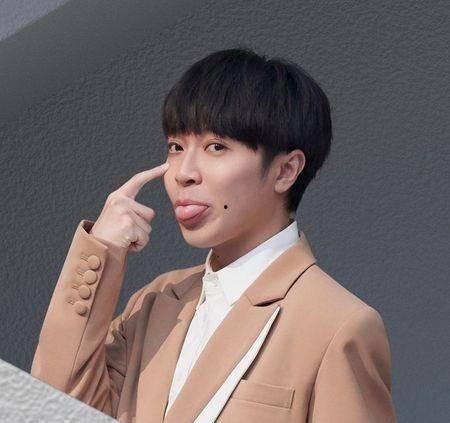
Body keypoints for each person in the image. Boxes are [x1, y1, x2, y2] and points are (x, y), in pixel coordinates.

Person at [30, 47, 397, 422]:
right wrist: (101, 251)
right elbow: (52, 410)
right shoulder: (156, 302)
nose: (183, 173)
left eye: (216, 147)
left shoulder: (338, 325)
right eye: (176, 147)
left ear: (286, 171)